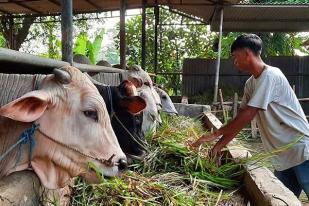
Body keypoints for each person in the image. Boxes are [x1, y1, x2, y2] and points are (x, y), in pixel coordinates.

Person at [191, 34, 309, 199]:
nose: (234, 61)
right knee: (280, 201)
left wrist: (214, 134)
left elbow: (248, 114)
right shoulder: (250, 84)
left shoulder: (271, 75)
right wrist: (219, 146)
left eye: (235, 56)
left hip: (301, 150)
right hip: (281, 156)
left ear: (247, 53)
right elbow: (240, 120)